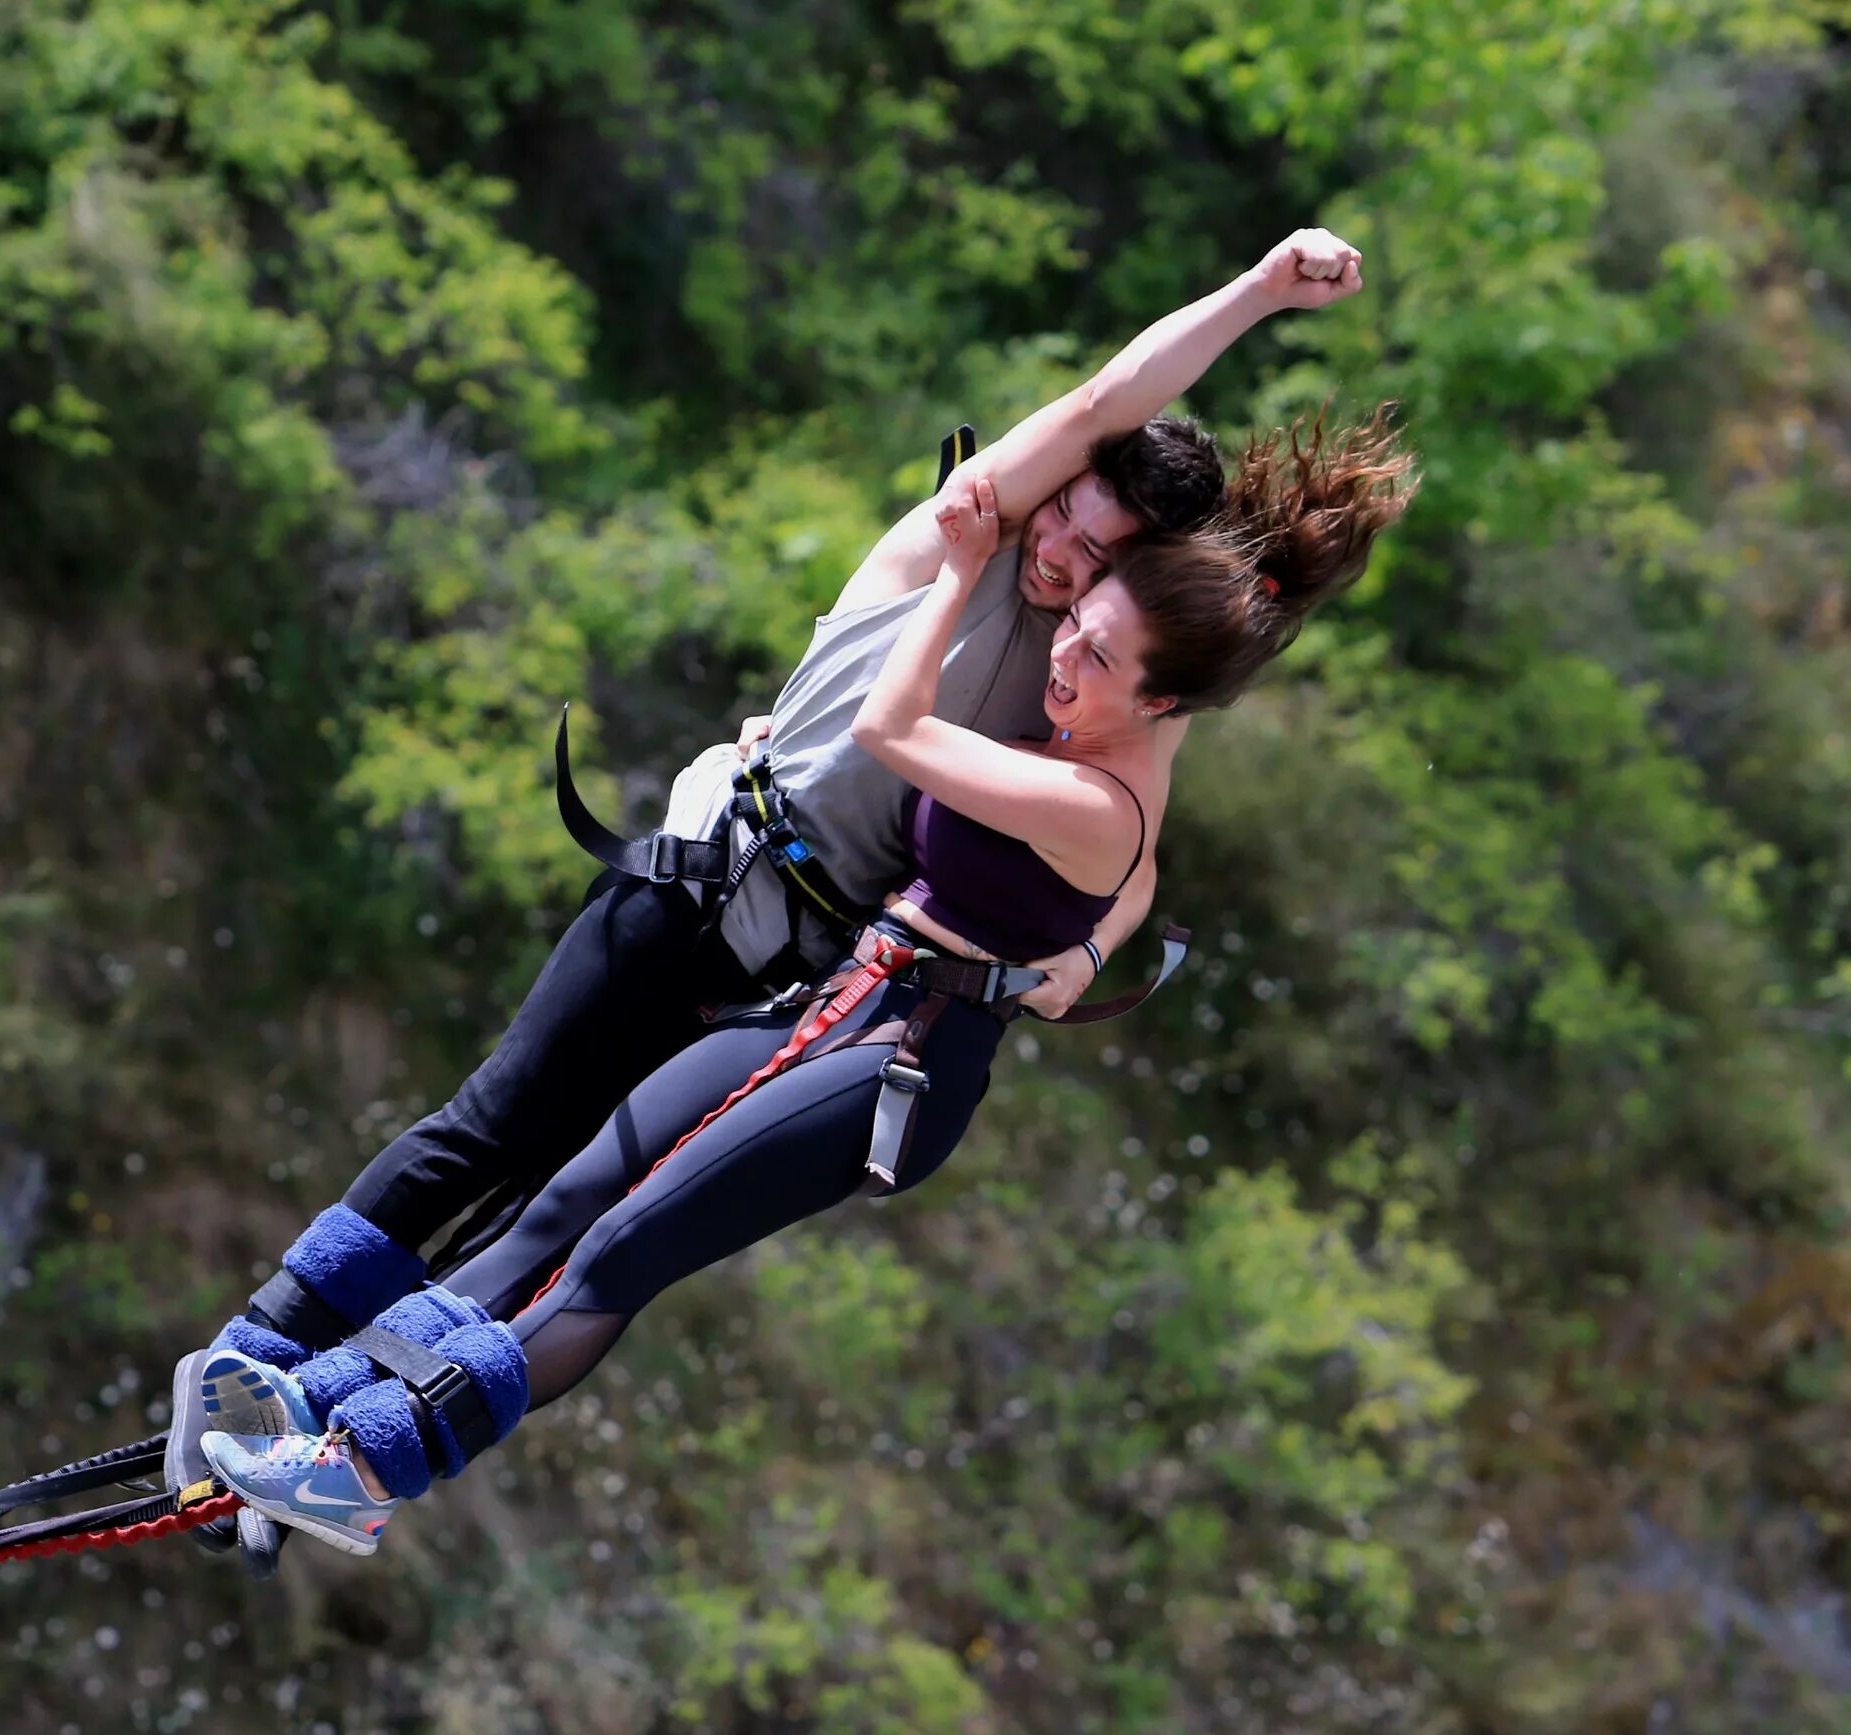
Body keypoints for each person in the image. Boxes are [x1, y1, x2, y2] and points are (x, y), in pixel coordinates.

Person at [169, 230, 1378, 1543]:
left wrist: (1074, 964)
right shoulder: (948, 546)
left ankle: (329, 1441)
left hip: (799, 978)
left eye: (1099, 560)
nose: (1062, 564)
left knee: (577, 1216)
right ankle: (254, 1353)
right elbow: (1101, 405)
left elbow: (1124, 849)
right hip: (700, 880)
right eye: (1062, 524)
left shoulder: (1082, 688)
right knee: (498, 1132)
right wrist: (1261, 294)